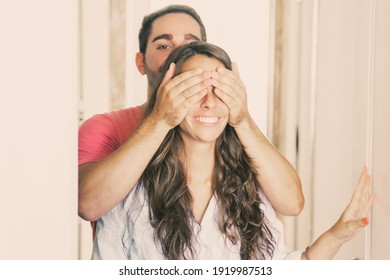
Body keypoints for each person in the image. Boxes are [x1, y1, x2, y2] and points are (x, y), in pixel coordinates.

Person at [91, 42, 374, 260]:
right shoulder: (130, 193)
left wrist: (338, 234)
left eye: (221, 90)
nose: (209, 103)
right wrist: (160, 117)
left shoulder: (249, 190)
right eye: (194, 89)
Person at [78, 5, 304, 233]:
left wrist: (243, 120)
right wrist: (160, 119)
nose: (179, 54)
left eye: (190, 44)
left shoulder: (217, 125)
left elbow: (292, 203)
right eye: (164, 46)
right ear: (141, 62)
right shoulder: (104, 127)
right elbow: (88, 205)